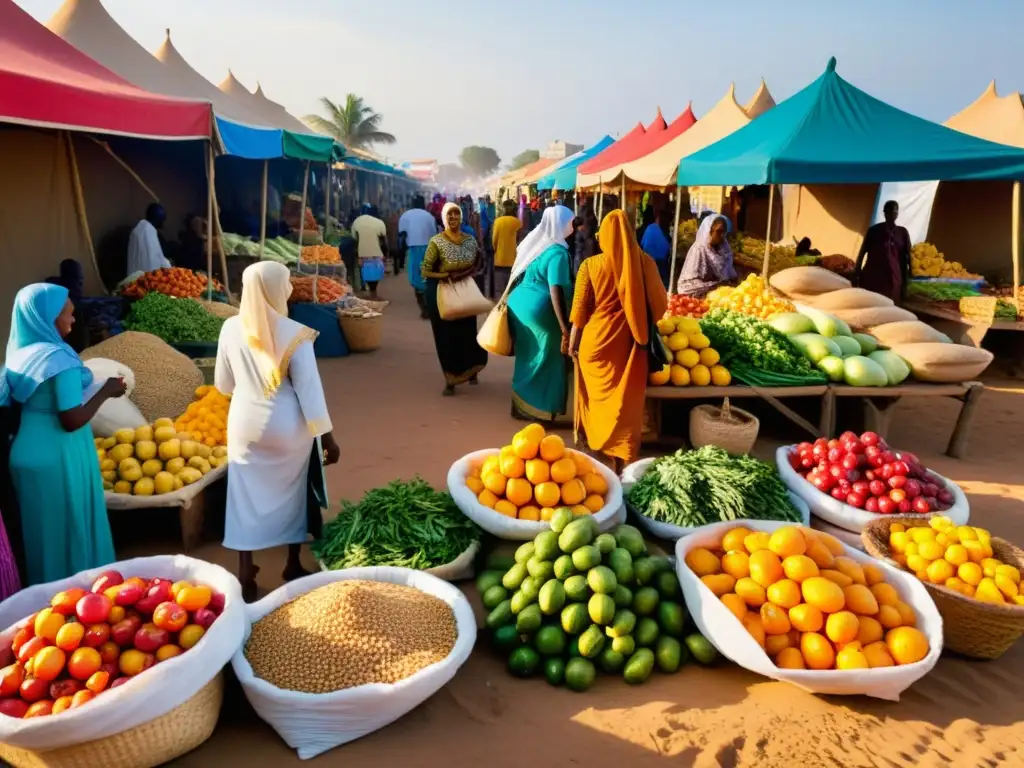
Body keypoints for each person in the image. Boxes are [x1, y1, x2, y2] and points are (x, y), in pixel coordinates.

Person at [214, 262, 341, 599]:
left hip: (244, 423)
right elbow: (310, 394)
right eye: (285, 283)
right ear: (275, 289)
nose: (288, 289)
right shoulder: (295, 334)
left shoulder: (229, 328)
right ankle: (292, 564)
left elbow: (222, 385)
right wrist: (328, 437)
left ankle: (245, 572)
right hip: (288, 428)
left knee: (243, 497)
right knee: (292, 494)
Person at [1, 283, 125, 585]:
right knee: (72, 532)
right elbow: (71, 418)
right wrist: (107, 390)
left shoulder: (18, 355)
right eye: (67, 314)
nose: (72, 320)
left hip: (26, 453)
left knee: (42, 537)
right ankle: (79, 602)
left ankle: (45, 606)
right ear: (48, 317)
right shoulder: (58, 360)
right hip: (60, 455)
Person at [569, 210, 667, 473]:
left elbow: (579, 313)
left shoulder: (590, 265)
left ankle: (599, 449)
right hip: (633, 346)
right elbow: (660, 306)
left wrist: (572, 343)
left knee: (598, 402)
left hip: (595, 344)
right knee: (626, 404)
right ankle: (622, 456)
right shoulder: (645, 263)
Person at [507, 205, 576, 423]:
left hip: (519, 306)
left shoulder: (539, 246)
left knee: (528, 355)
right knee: (551, 356)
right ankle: (542, 410)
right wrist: (565, 328)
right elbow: (556, 289)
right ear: (562, 224)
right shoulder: (558, 252)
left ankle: (520, 405)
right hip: (541, 310)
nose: (573, 227)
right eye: (571, 222)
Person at [421, 203, 488, 395]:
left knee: (467, 333)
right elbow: (425, 270)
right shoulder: (436, 242)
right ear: (443, 218)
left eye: (456, 215)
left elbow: (478, 261)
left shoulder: (470, 240)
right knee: (446, 336)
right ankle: (450, 378)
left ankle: (471, 370)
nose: (453, 219)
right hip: (442, 292)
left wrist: (469, 276)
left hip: (465, 290)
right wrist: (444, 276)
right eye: (449, 215)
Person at [855, 200, 912, 305]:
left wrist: (909, 279)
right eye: (889, 212)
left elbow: (909, 256)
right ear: (884, 213)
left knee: (890, 310)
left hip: (893, 280)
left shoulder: (902, 233)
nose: (891, 215)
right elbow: (862, 252)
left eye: (894, 212)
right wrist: (857, 272)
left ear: (897, 214)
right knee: (870, 307)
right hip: (873, 278)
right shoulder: (874, 231)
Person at [676, 213, 737, 297]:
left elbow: (729, 273)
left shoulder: (724, 249)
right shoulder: (698, 250)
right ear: (709, 231)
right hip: (698, 299)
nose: (722, 236)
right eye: (719, 232)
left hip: (718, 297)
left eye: (724, 232)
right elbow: (686, 286)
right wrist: (715, 285)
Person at [398, 195, 438, 318]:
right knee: (428, 278)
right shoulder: (429, 216)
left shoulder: (405, 215)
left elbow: (401, 235)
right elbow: (435, 233)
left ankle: (424, 308)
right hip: (428, 248)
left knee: (415, 279)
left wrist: (400, 255)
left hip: (413, 249)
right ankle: (430, 306)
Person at [351, 204, 389, 299]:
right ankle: (373, 292)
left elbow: (354, 238)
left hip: (362, 253)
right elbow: (383, 238)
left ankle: (368, 291)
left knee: (365, 273)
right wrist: (386, 253)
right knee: (376, 274)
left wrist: (358, 253)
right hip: (376, 253)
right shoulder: (379, 222)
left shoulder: (356, 221)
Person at [127, 203, 171, 276]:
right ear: (157, 218)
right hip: (145, 280)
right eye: (163, 218)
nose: (164, 222)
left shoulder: (140, 229)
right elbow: (152, 262)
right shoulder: (148, 232)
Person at [492, 200, 522, 297]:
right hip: (514, 261)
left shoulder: (498, 221)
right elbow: (520, 240)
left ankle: (501, 310)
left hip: (499, 261)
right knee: (512, 290)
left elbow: (494, 241)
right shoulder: (518, 222)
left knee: (500, 291)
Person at [641, 207, 673, 288]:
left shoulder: (650, 228)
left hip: (651, 263)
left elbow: (642, 245)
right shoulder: (656, 230)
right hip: (659, 265)